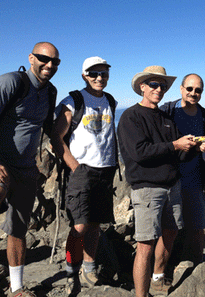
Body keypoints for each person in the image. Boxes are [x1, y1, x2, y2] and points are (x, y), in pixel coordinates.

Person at [0, 42, 60, 297]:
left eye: (55, 62)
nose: (50, 65)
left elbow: (48, 127)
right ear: (31, 58)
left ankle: (16, 287)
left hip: (26, 168)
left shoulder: (50, 92)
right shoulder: (10, 82)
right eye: (44, 59)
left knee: (19, 224)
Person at [117, 66, 205, 297]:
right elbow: (139, 152)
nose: (159, 89)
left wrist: (196, 148)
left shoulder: (165, 117)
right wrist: (175, 145)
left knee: (171, 232)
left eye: (162, 86)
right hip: (147, 188)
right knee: (145, 245)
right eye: (154, 85)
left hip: (172, 186)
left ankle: (158, 277)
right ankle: (141, 294)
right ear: (142, 87)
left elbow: (177, 154)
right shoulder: (131, 116)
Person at [50, 57, 117, 295]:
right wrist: (76, 168)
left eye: (104, 73)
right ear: (84, 76)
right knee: (79, 225)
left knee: (96, 224)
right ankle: (71, 272)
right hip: (83, 170)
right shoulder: (74, 101)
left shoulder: (110, 100)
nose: (99, 78)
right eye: (93, 73)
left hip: (106, 169)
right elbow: (57, 137)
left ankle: (89, 269)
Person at [159, 73, 205, 265]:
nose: (193, 93)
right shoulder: (167, 111)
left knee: (197, 227)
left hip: (194, 180)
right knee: (168, 228)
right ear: (181, 89)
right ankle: (162, 270)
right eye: (189, 89)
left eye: (198, 90)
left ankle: (198, 268)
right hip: (169, 180)